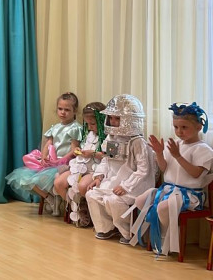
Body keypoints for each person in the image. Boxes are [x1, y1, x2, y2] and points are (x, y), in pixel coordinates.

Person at [128, 102, 213, 256]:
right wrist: (160, 153)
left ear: (199, 127)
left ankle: (167, 239)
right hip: (168, 190)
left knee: (163, 207)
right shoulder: (174, 144)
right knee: (141, 200)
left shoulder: (203, 150)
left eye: (184, 127)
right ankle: (153, 235)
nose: (179, 132)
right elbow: (164, 168)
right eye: (176, 127)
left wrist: (178, 156)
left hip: (190, 195)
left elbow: (195, 174)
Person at [86, 94, 156, 243]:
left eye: (117, 118)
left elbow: (143, 170)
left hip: (135, 184)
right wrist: (98, 176)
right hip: (114, 180)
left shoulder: (137, 142)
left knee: (113, 200)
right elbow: (107, 160)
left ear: (130, 119)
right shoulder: (111, 138)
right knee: (91, 194)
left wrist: (126, 186)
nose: (113, 121)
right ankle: (106, 228)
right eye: (111, 118)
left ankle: (127, 232)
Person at [6, 92, 83, 214]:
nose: (63, 112)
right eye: (60, 109)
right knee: (25, 178)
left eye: (67, 110)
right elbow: (48, 144)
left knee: (52, 178)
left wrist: (60, 160)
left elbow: (74, 150)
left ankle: (58, 198)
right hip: (52, 162)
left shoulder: (75, 128)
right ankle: (50, 198)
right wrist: (43, 156)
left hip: (65, 163)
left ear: (75, 110)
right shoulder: (55, 127)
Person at [53, 101, 106, 226]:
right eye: (87, 124)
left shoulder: (107, 136)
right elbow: (82, 148)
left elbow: (108, 157)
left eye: (92, 124)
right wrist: (79, 151)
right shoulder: (88, 134)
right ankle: (74, 205)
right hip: (80, 165)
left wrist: (93, 154)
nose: (89, 127)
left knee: (82, 186)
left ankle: (86, 207)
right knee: (58, 183)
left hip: (95, 169)